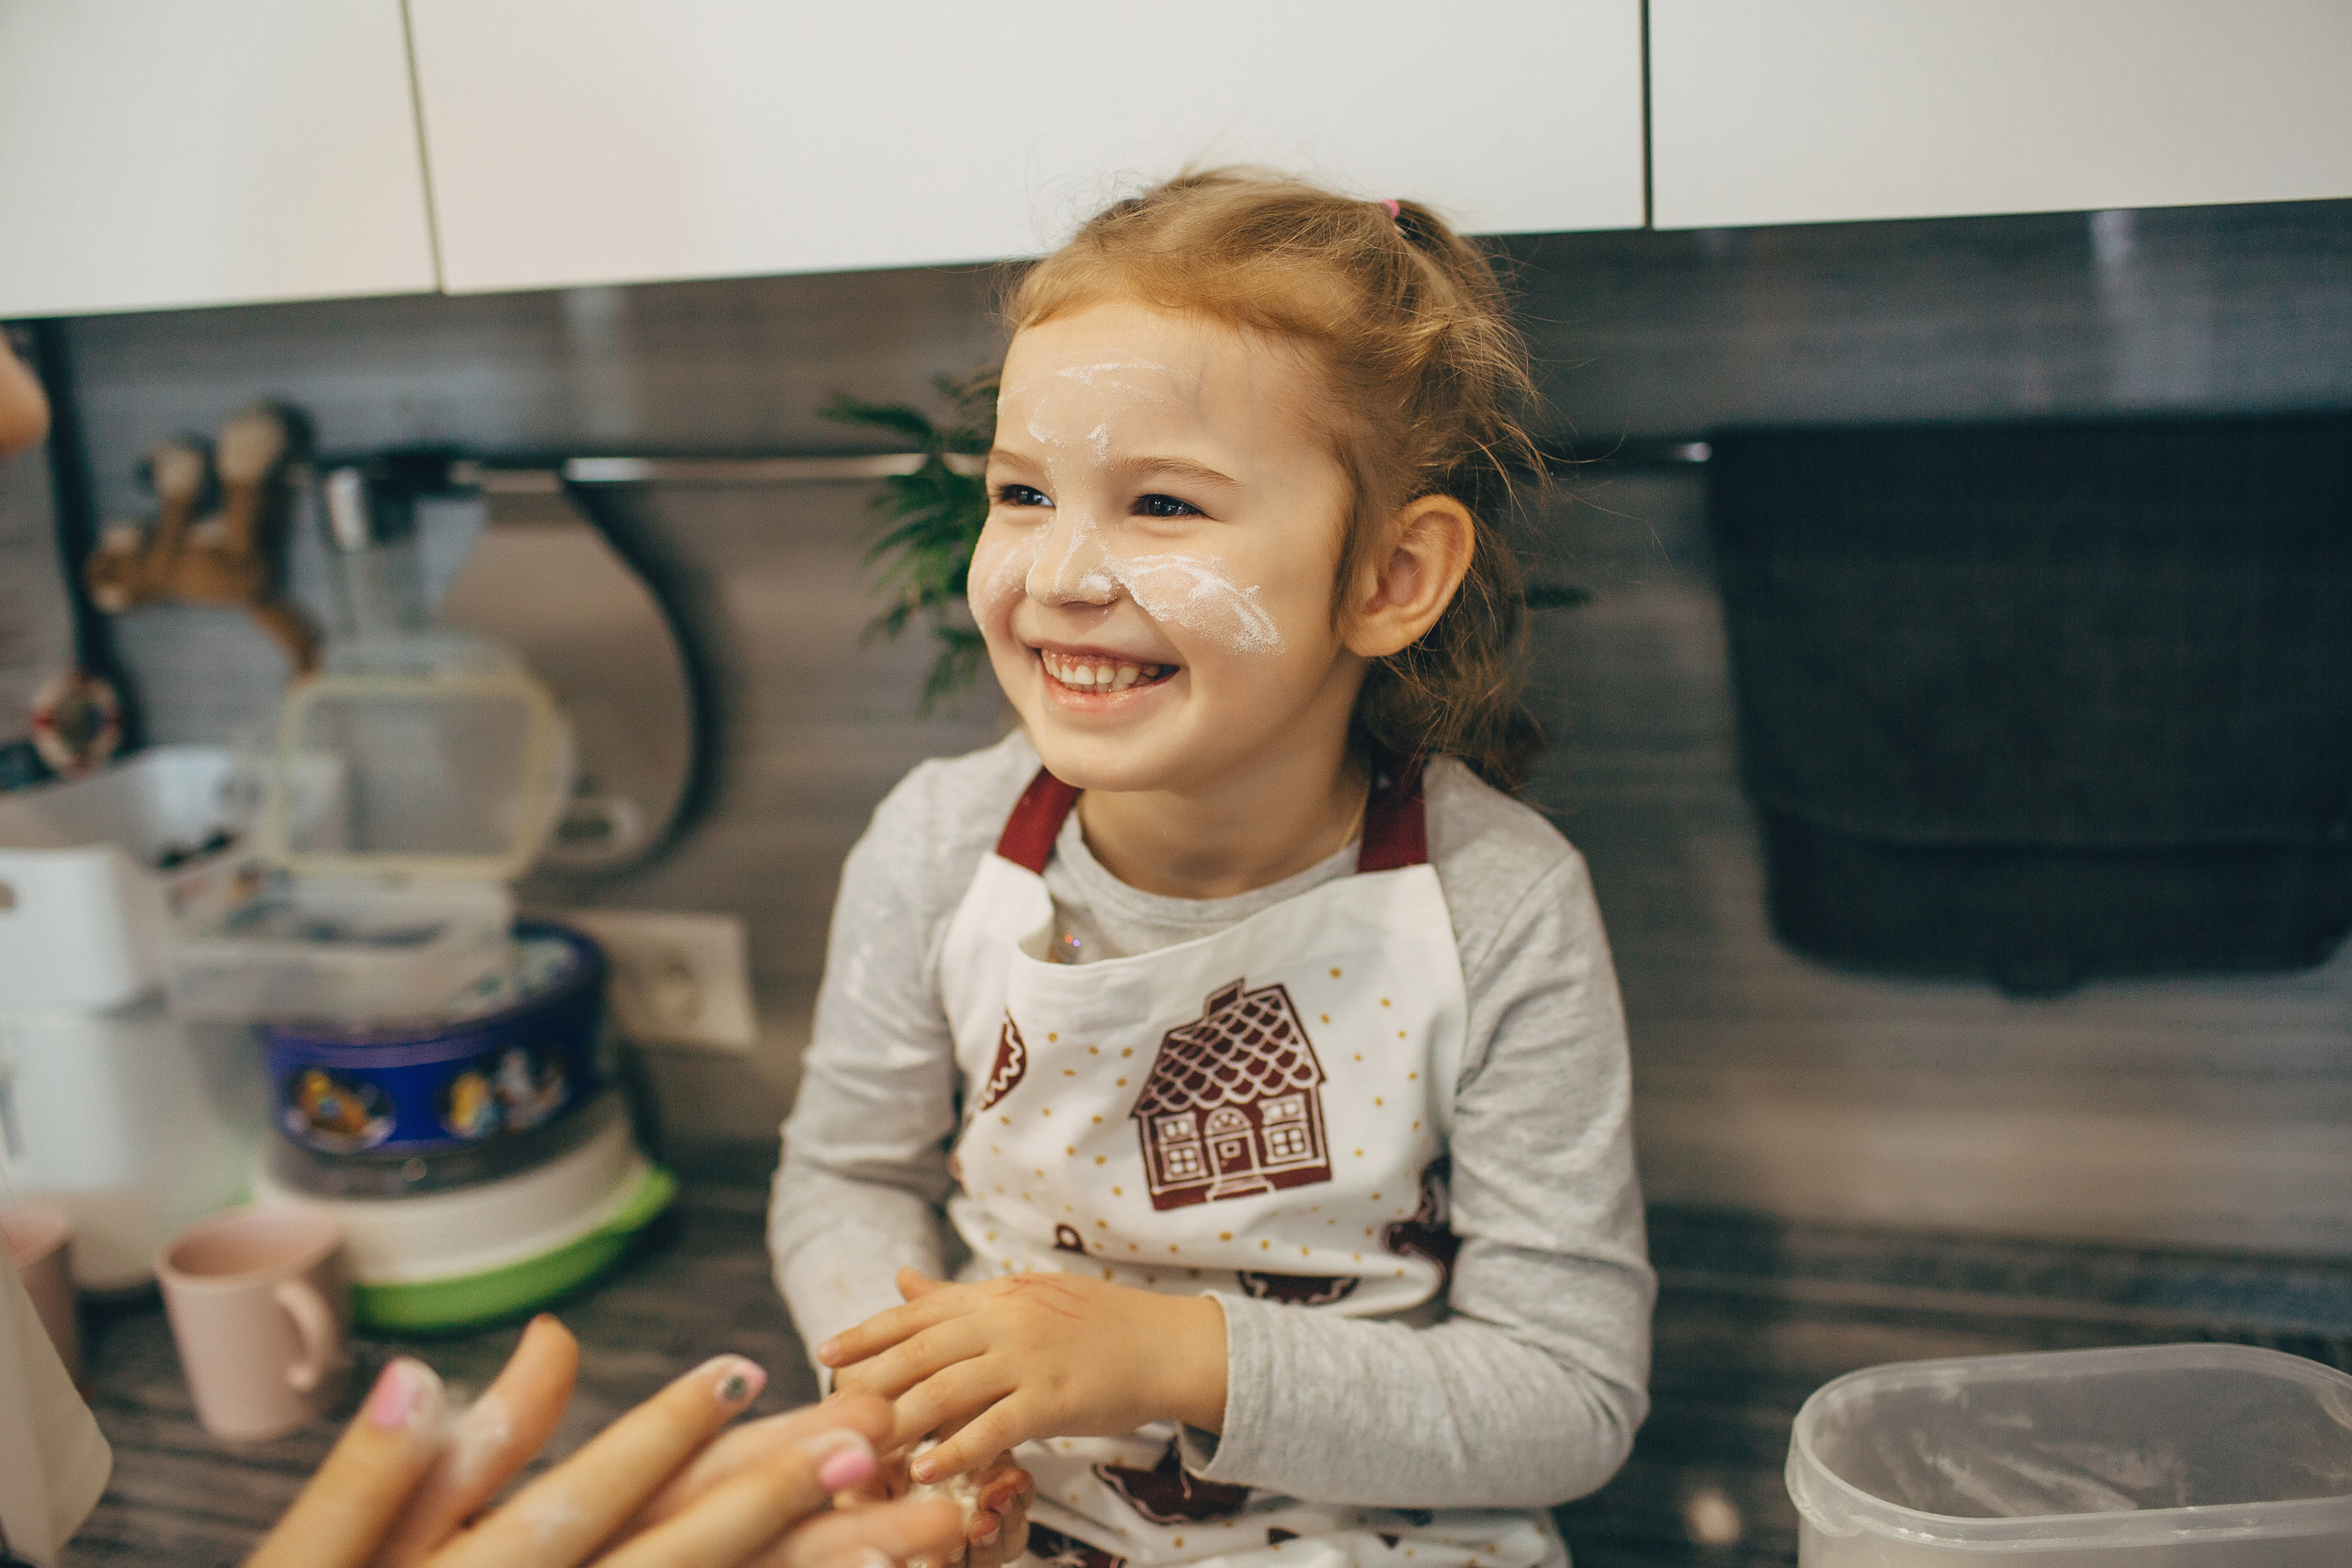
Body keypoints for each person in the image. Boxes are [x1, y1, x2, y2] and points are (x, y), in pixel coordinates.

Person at [772, 169, 1654, 1568]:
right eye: (1021, 490)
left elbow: (1568, 1395)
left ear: (1388, 576)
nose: (1059, 571)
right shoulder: (940, 850)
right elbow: (842, 1176)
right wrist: (898, 1396)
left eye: (1164, 505)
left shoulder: (1497, 904)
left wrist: (1177, 1358)